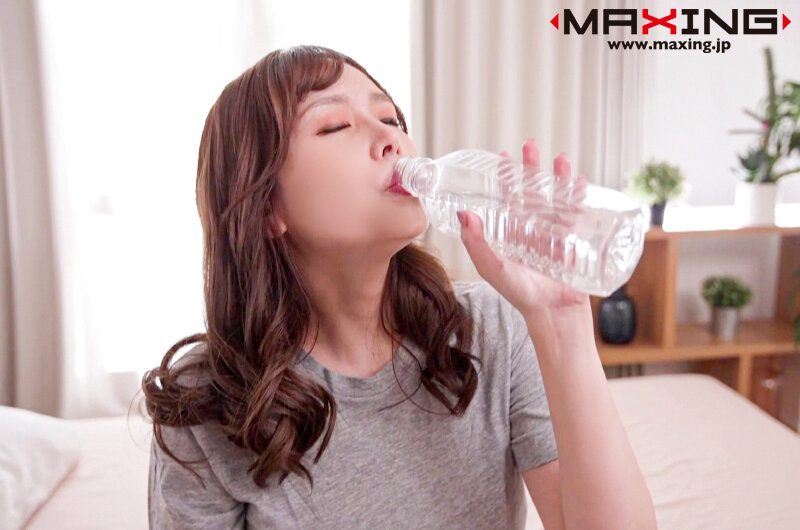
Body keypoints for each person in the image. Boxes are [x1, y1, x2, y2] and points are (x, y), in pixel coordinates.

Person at [141, 44, 656, 529]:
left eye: (390, 119)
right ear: (266, 206)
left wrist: (562, 324)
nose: (392, 140)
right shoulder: (203, 405)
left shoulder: (489, 329)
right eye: (335, 125)